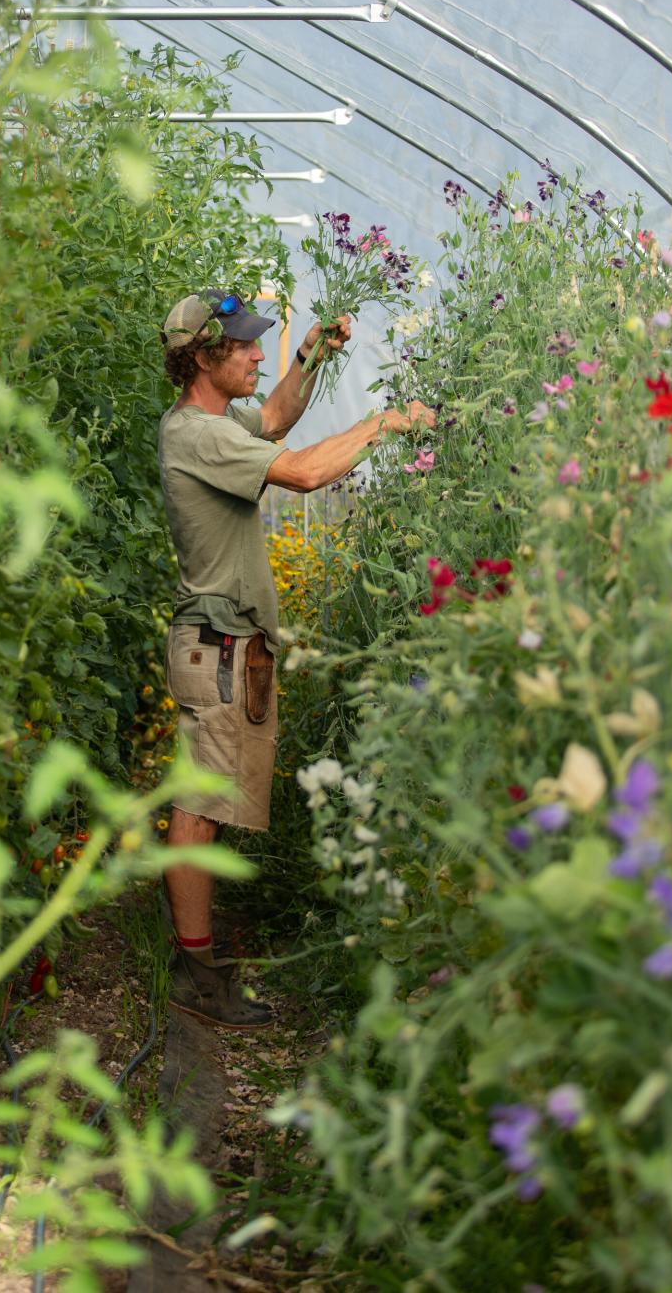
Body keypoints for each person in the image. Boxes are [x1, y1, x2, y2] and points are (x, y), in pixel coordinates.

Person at [157, 288, 434, 1029]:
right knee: (200, 808)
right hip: (214, 649)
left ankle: (196, 958)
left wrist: (314, 354)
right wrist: (385, 422)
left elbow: (276, 419)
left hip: (225, 647)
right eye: (244, 346)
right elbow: (306, 471)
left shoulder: (221, 421)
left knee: (207, 804)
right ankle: (195, 974)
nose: (256, 354)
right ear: (204, 358)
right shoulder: (196, 435)